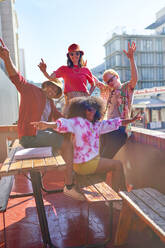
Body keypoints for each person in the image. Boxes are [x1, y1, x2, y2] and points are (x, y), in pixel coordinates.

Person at [0, 38, 76, 198]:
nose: (52, 92)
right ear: (45, 85)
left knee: (68, 137)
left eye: (56, 92)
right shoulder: (31, 90)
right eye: (51, 87)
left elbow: (61, 118)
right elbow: (16, 78)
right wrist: (7, 59)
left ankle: (70, 176)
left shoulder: (50, 103)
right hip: (29, 137)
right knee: (68, 143)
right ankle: (69, 184)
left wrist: (79, 122)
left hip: (38, 136)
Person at [31, 96, 141, 200]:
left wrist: (131, 120)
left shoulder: (97, 125)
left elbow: (116, 122)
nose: (91, 112)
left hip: (91, 162)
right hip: (84, 164)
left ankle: (120, 194)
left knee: (116, 165)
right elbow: (62, 124)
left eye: (93, 110)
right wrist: (47, 125)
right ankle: (117, 196)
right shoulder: (78, 123)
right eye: (88, 110)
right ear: (81, 111)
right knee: (117, 165)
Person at [98, 41, 138, 159]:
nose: (110, 83)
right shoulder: (109, 92)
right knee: (101, 159)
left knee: (104, 159)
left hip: (120, 129)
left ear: (117, 76)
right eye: (107, 82)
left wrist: (131, 58)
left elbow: (135, 79)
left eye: (111, 79)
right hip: (107, 129)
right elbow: (97, 83)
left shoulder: (126, 88)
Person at [38, 43, 96, 107]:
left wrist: (89, 93)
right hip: (70, 101)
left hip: (84, 101)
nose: (74, 56)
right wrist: (44, 71)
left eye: (77, 53)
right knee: (71, 116)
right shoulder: (63, 69)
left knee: (83, 117)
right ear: (69, 56)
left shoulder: (86, 70)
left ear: (80, 55)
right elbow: (50, 78)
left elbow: (93, 84)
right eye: (72, 54)